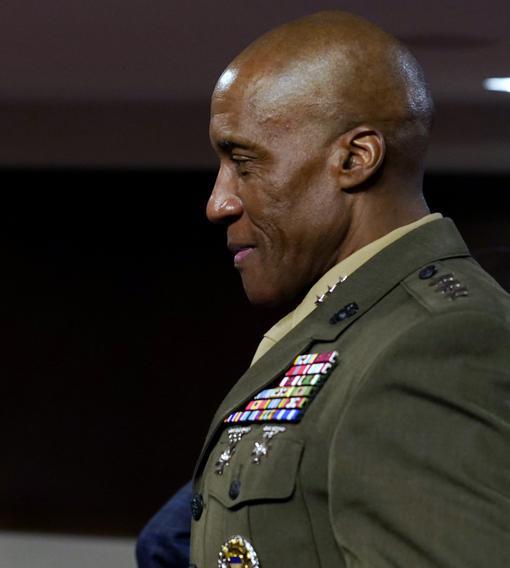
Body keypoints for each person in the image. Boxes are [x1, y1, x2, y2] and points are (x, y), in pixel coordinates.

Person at [140, 11, 510, 568]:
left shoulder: (438, 341)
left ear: (354, 160)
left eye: (244, 163)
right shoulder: (354, 326)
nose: (218, 203)